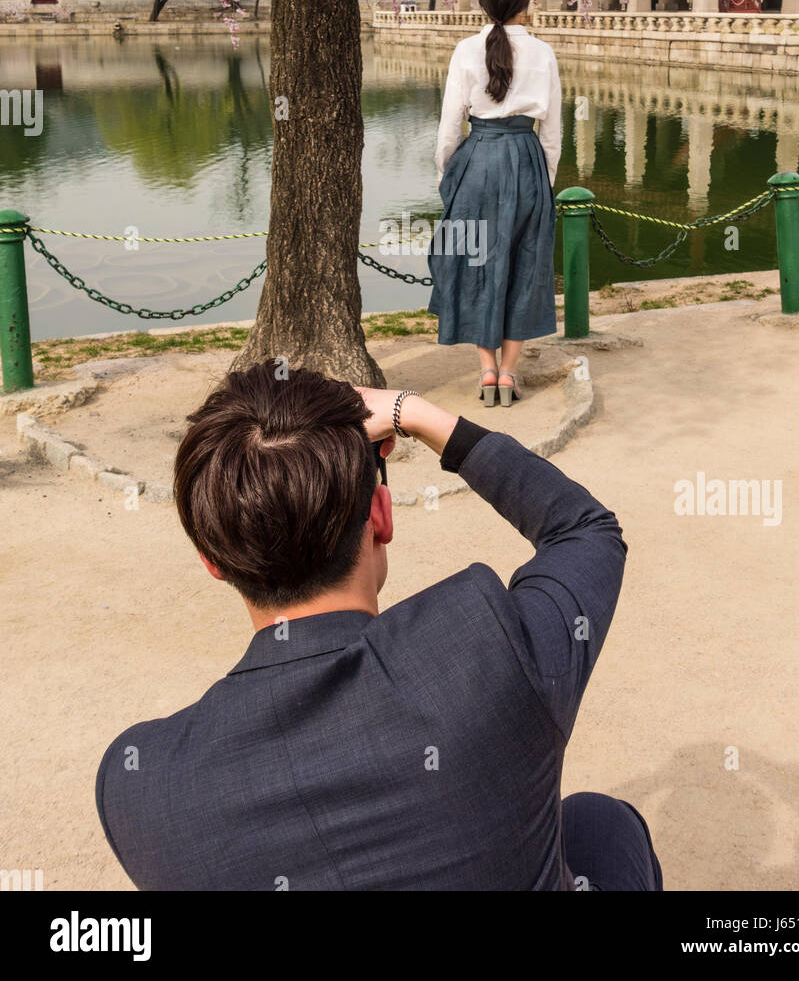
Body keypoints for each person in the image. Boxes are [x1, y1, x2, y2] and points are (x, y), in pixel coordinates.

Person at [95, 363, 662, 892]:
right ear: (382, 517)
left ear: (212, 561)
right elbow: (584, 530)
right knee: (602, 824)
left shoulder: (142, 786)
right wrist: (417, 415)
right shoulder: (490, 651)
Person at [428, 0, 562, 406]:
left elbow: (449, 127)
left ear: (485, 4)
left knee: (474, 260)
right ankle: (508, 374)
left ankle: (485, 372)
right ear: (524, 2)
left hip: (478, 161)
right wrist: (545, 182)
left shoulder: (465, 50)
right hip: (527, 160)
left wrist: (448, 176)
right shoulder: (543, 52)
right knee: (526, 265)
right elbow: (553, 133)